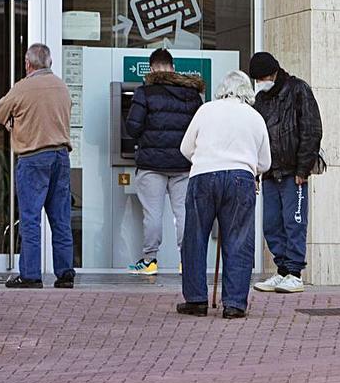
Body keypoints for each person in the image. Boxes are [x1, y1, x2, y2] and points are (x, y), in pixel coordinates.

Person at [178, 70, 271, 318]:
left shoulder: (206, 110)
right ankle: (234, 304)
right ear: (246, 91)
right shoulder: (254, 117)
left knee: (195, 238)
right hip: (241, 178)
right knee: (239, 240)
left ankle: (196, 299)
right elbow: (265, 162)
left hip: (204, 175)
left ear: (222, 89)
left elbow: (185, 148)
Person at [0, 43, 75, 290]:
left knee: (30, 219)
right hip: (61, 156)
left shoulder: (23, 87)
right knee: (60, 218)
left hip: (33, 157)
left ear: (28, 64)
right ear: (49, 63)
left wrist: (12, 122)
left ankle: (30, 275)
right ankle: (65, 273)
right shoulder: (62, 86)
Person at [123, 48, 203, 276]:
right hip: (184, 163)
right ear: (173, 67)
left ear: (151, 69)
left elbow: (132, 127)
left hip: (151, 164)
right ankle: (186, 262)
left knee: (152, 215)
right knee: (184, 214)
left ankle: (150, 261)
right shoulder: (191, 94)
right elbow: (199, 130)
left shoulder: (145, 93)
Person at [248, 52, 323, 295]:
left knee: (295, 222)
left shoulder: (298, 90)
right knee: (271, 224)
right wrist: (257, 171)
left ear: (274, 73)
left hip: (293, 172)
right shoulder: (261, 99)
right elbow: (257, 136)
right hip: (271, 172)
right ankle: (282, 270)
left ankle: (294, 272)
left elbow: (311, 129)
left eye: (262, 78)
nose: (260, 83)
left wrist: (303, 168)